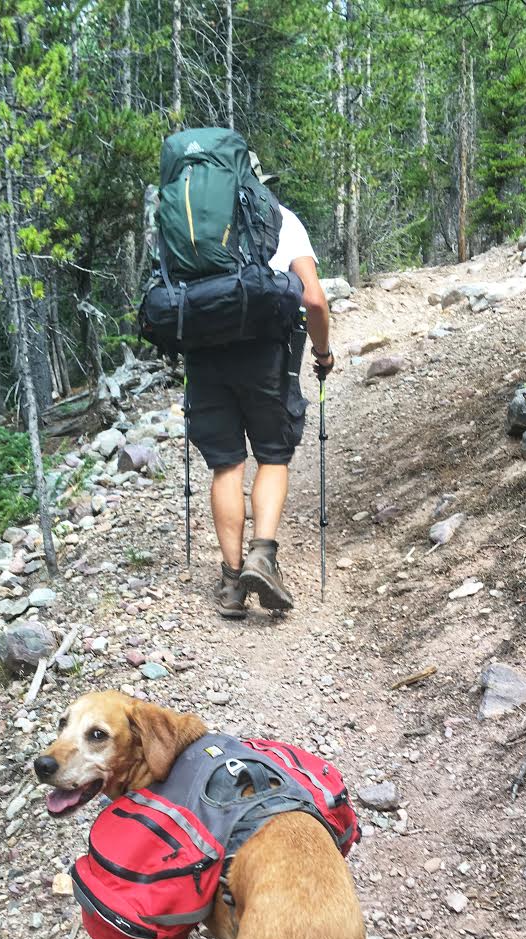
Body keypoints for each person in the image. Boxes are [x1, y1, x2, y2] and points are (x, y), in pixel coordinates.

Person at [184, 151, 334, 619]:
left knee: (226, 465)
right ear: (254, 178)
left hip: (204, 355)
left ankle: (231, 585)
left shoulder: (188, 224)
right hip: (267, 355)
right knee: (273, 455)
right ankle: (262, 557)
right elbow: (314, 298)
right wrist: (323, 353)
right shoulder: (279, 218)